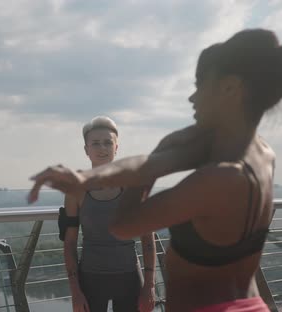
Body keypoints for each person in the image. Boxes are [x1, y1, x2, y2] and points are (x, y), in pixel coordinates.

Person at [28, 28, 282, 312]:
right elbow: (150, 163)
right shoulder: (260, 153)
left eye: (200, 85)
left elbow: (125, 224)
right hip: (248, 302)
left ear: (229, 89)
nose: (192, 98)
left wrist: (160, 153)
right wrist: (84, 178)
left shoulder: (219, 178)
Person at [61, 116, 156, 312]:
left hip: (129, 277)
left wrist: (149, 286)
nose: (102, 148)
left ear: (116, 147)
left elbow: (148, 238)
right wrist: (76, 293)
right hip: (90, 279)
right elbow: (69, 243)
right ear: (86, 149)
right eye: (95, 143)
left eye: (107, 142)